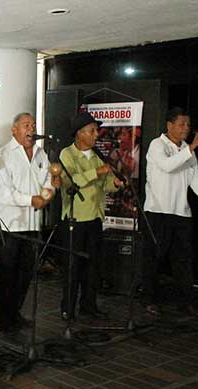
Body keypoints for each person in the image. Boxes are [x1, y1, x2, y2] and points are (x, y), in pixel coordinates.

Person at [142, 107, 198, 316]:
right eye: (182, 124)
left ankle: (185, 301)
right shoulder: (157, 145)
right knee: (154, 258)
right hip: (158, 211)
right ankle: (148, 298)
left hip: (181, 212)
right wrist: (191, 147)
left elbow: (196, 177)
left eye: (188, 125)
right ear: (169, 125)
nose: (186, 128)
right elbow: (167, 166)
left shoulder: (185, 149)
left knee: (183, 259)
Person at [0, 113, 56, 333]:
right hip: (10, 225)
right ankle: (1, 318)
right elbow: (3, 193)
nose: (31, 129)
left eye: (34, 125)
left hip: (33, 223)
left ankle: (14, 314)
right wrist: (31, 200)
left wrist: (48, 193)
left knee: (26, 273)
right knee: (8, 274)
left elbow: (48, 179)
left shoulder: (40, 153)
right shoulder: (2, 156)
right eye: (26, 125)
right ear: (14, 130)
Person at [59, 112, 123, 321]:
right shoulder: (67, 154)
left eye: (96, 130)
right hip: (75, 219)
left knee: (93, 266)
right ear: (79, 133)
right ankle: (68, 307)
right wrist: (97, 172)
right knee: (73, 266)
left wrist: (115, 184)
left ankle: (89, 305)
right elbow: (70, 181)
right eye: (92, 130)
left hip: (95, 216)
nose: (96, 134)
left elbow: (106, 184)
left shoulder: (97, 155)